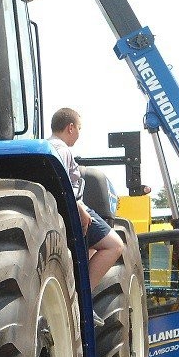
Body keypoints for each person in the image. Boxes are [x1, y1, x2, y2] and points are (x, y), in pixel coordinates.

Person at [47, 107, 124, 290]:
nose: (79, 134)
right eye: (80, 128)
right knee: (115, 245)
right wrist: (80, 209)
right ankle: (83, 298)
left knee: (90, 249)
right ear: (71, 128)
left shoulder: (46, 147)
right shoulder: (62, 150)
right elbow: (64, 187)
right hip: (75, 208)